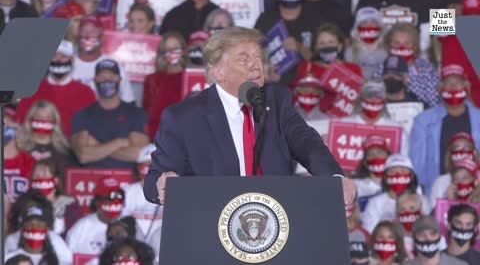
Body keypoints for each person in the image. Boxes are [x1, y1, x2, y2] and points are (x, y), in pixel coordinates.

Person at [144, 26, 357, 214]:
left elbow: (307, 143)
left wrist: (334, 179)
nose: (256, 66)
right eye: (244, 59)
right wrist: (164, 182)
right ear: (218, 72)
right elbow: (153, 182)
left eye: (258, 57)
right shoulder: (183, 118)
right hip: (212, 229)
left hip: (276, 228)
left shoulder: (276, 100)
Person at [409, 64, 480, 196]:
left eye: (458, 83)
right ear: (440, 89)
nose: (453, 87)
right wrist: (421, 190)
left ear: (467, 87)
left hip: (476, 188)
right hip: (438, 188)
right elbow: (417, 161)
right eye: (448, 83)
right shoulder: (423, 120)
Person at [71, 59, 150, 169]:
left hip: (128, 182)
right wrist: (120, 142)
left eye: (112, 77)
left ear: (119, 80)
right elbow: (83, 155)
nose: (107, 80)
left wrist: (96, 145)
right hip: (91, 180)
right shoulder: (82, 115)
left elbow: (139, 154)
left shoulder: (136, 114)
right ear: (95, 81)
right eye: (102, 77)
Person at [16, 40, 96, 137]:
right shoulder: (32, 89)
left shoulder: (85, 92)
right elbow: (20, 121)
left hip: (72, 148)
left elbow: (93, 125)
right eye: (54, 56)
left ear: (72, 60)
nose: (58, 60)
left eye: (63, 56)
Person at [255, 0, 318, 86]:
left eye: (294, 7)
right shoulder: (266, 19)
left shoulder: (313, 19)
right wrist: (266, 69)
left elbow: (319, 60)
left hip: (304, 83)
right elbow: (252, 50)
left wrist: (299, 47)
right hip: (273, 85)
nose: (290, 12)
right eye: (285, 7)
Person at [373, 23, 441, 107]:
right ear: (389, 45)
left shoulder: (427, 69)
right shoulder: (381, 69)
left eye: (407, 43)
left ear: (415, 46)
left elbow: (434, 104)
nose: (401, 47)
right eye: (396, 43)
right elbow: (374, 100)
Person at [72, 15, 135, 103]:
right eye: (84, 30)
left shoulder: (113, 66)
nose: (87, 35)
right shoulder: (67, 62)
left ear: (102, 37)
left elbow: (128, 100)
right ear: (78, 35)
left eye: (93, 31)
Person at [362, 154, 430, 233]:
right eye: (392, 171)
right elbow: (369, 233)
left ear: (411, 176)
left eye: (403, 170)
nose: (398, 174)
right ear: (385, 177)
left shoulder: (422, 200)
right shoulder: (375, 203)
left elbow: (430, 230)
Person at [340, 80, 409, 155]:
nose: (374, 100)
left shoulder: (397, 129)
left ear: (385, 99)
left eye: (379, 96)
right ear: (360, 98)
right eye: (369, 96)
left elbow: (403, 160)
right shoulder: (343, 125)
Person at [143, 32, 187, 140]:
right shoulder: (152, 80)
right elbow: (147, 113)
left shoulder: (190, 77)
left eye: (176, 48)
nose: (172, 53)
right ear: (162, 54)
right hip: (158, 137)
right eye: (168, 49)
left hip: (186, 137)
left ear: (183, 51)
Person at [66, 177, 126, 255]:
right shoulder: (81, 227)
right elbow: (67, 258)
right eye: (109, 197)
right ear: (96, 201)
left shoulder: (128, 225)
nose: (115, 201)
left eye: (119, 196)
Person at [17, 101, 77, 175]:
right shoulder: (19, 148)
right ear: (30, 120)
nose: (43, 120)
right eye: (38, 116)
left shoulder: (66, 151)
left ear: (55, 121)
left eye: (48, 117)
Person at [29, 159, 84, 237]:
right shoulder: (25, 204)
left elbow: (77, 233)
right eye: (36, 176)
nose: (40, 179)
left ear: (56, 180)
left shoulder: (69, 205)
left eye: (45, 175)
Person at [4, 205, 72, 265]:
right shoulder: (8, 259)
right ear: (21, 229)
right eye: (30, 225)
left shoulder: (60, 258)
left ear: (47, 229)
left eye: (40, 225)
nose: (35, 228)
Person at [122, 144, 161, 241]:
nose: (150, 168)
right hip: (134, 243)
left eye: (154, 164)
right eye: (146, 164)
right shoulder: (127, 192)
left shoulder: (170, 192)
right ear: (138, 167)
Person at [430, 132, 480, 206]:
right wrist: (449, 201)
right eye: (456, 148)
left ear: (474, 152)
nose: (462, 152)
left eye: (467, 147)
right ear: (450, 154)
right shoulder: (441, 182)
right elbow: (435, 214)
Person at [345, 7, 388, 79]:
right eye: (364, 22)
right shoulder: (350, 52)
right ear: (357, 29)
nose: (369, 26)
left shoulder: (387, 51)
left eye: (373, 22)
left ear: (380, 27)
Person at [354, 135, 391, 212]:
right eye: (370, 154)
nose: (376, 157)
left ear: (389, 157)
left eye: (380, 152)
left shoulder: (403, 185)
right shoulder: (355, 186)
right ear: (365, 162)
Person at [396, 191, 423, 260]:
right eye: (402, 209)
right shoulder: (393, 239)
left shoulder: (430, 235)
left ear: (420, 211)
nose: (407, 213)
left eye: (412, 208)